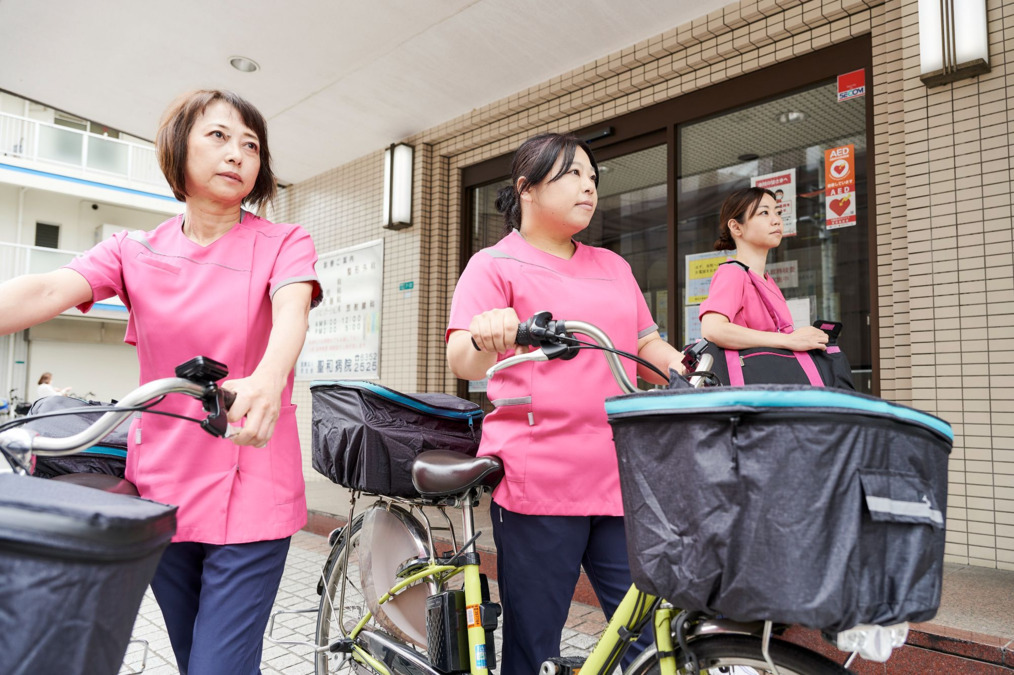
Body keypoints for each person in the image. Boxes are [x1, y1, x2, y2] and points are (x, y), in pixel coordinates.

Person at [0, 89, 321, 675]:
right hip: (161, 483)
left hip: (251, 475)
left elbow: (291, 312)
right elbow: (47, 290)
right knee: (192, 657)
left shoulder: (284, 242)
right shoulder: (134, 249)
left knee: (217, 667)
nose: (238, 154)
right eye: (219, 137)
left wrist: (267, 382)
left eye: (251, 145)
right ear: (178, 149)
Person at [446, 133, 685, 674]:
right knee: (535, 642)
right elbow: (462, 357)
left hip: (618, 473)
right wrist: (490, 334)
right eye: (573, 174)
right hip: (540, 479)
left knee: (645, 634)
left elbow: (644, 343)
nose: (589, 187)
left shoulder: (613, 266)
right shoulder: (494, 265)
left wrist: (688, 372)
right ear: (526, 189)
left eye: (593, 178)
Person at [699, 186, 826, 351]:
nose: (776, 220)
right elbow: (713, 330)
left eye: (778, 212)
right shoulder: (732, 273)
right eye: (764, 213)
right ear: (736, 227)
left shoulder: (766, 281)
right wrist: (787, 340)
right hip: (750, 375)